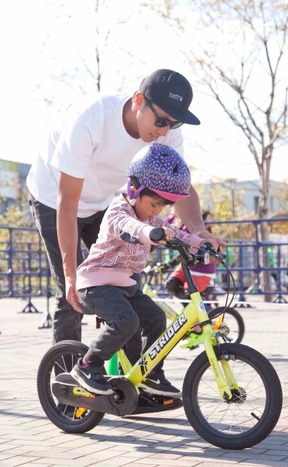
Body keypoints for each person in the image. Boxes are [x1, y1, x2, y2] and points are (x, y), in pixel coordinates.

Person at [26, 68, 223, 346]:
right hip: (53, 200)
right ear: (139, 100)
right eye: (162, 120)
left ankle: (131, 382)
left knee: (127, 286)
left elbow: (181, 186)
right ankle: (67, 383)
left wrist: (199, 231)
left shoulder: (165, 133)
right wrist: (71, 275)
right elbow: (67, 203)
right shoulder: (92, 119)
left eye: (174, 124)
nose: (165, 130)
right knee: (71, 294)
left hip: (102, 202)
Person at [71, 144, 206, 396]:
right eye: (154, 204)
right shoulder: (118, 211)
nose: (158, 211)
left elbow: (175, 232)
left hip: (124, 285)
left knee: (156, 318)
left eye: (163, 207)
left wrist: (200, 242)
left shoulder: (151, 219)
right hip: (96, 283)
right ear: (134, 190)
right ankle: (88, 365)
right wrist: (150, 233)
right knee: (126, 321)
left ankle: (150, 371)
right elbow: (129, 226)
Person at [165, 210, 216, 300]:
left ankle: (202, 311)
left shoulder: (196, 231)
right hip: (188, 264)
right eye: (209, 219)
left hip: (201, 269)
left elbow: (187, 250)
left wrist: (170, 264)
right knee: (171, 285)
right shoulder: (176, 222)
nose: (210, 222)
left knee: (188, 295)